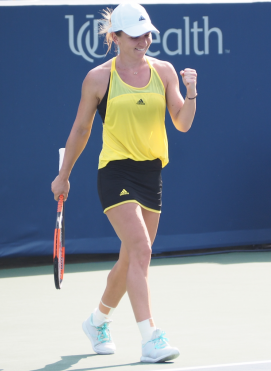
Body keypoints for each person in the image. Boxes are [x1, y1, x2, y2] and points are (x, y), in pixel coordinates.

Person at [51, 3, 197, 364]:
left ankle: (97, 320)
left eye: (147, 33)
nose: (144, 40)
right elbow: (82, 130)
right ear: (115, 37)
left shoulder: (163, 72)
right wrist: (63, 174)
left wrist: (191, 92)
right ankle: (151, 338)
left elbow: (182, 122)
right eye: (135, 35)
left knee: (132, 258)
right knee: (142, 250)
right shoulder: (99, 78)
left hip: (151, 175)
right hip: (115, 173)